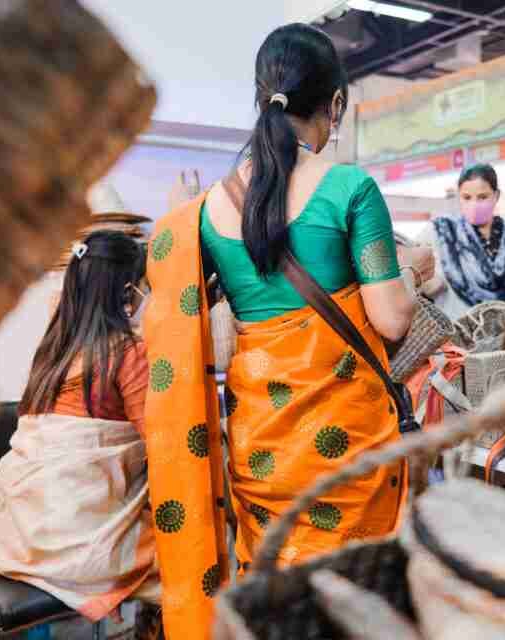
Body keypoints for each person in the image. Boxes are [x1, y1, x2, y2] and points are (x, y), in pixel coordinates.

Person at [141, 24, 419, 639]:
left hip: (261, 441)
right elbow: (393, 318)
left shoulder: (208, 210)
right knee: (350, 592)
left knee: (278, 589)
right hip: (346, 444)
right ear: (336, 103)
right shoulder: (350, 189)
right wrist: (412, 275)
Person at [0, 231, 159, 623]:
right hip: (74, 551)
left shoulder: (53, 349)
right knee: (194, 546)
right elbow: (162, 444)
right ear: (128, 288)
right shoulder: (128, 354)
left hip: (17, 540)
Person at [418, 163, 505, 319]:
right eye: (466, 197)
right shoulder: (441, 232)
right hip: (456, 329)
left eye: (482, 197)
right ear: (459, 196)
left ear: (496, 195)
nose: (474, 204)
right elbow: (409, 263)